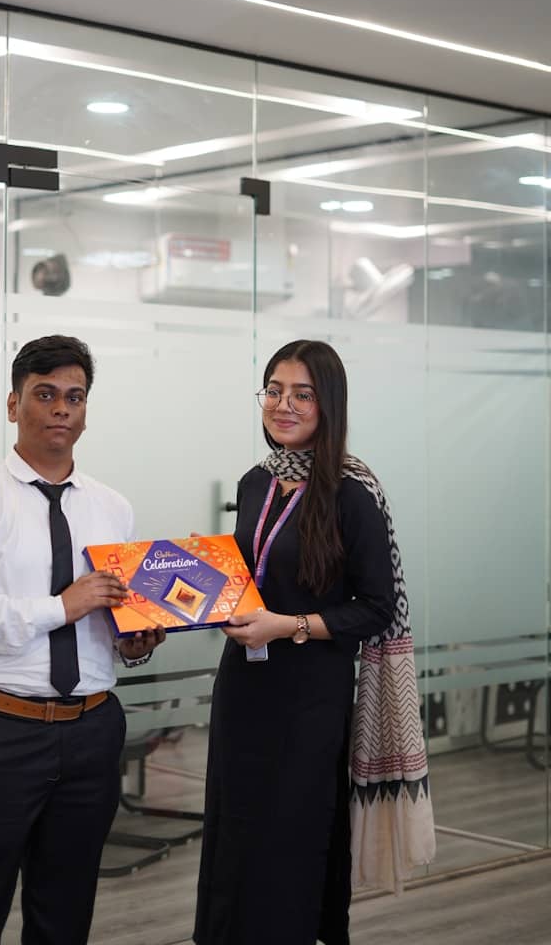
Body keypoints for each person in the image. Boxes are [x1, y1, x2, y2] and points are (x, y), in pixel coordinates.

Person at [0, 334, 164, 945]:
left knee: (67, 907)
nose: (61, 409)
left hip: (91, 730)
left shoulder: (113, 508)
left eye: (74, 397)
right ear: (13, 405)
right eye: (45, 394)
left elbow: (107, 623)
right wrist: (60, 606)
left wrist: (133, 643)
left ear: (85, 411)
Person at [194, 339, 434, 945]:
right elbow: (251, 578)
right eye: (274, 391)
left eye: (302, 394)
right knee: (233, 827)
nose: (284, 405)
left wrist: (288, 625)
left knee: (291, 835)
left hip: (310, 697)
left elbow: (376, 608)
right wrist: (203, 585)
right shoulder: (256, 482)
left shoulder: (352, 492)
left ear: (329, 405)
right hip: (243, 685)